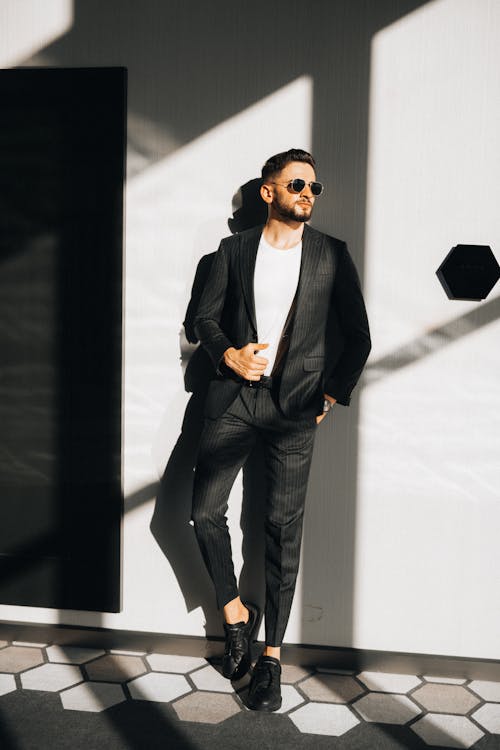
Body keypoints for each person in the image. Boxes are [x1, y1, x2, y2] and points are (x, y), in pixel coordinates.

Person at [191, 148, 371, 711]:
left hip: (295, 411)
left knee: (280, 533)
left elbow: (358, 336)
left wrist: (333, 395)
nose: (308, 195)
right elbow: (203, 319)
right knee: (203, 513)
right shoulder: (231, 251)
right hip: (234, 401)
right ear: (268, 191)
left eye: (315, 188)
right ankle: (234, 614)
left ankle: (271, 659)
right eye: (297, 185)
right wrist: (230, 357)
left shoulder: (331, 256)